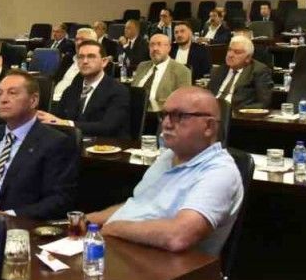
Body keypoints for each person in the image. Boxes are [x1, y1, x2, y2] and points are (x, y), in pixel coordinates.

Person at [86, 88, 243, 254]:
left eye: (179, 116)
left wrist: (114, 228)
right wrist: (91, 219)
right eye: (164, 115)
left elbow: (179, 236)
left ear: (208, 126)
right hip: (128, 249)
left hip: (166, 263)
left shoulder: (220, 172)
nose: (166, 124)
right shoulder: (168, 156)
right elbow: (140, 205)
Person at [0, 71, 78, 218]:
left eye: (12, 93)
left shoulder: (55, 142)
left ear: (33, 100)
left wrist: (7, 216)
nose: (3, 99)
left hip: (9, 222)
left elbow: (59, 200)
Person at [38, 35, 130, 137]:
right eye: (81, 57)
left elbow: (107, 127)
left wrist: (67, 124)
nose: (85, 61)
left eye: (91, 56)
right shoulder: (71, 90)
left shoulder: (118, 90)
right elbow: (58, 119)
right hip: (74, 142)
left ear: (104, 62)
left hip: (107, 144)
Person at [207, 36, 274, 109]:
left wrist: (242, 111)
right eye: (229, 50)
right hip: (212, 110)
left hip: (237, 113)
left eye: (237, 52)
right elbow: (208, 94)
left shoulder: (258, 70)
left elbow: (264, 103)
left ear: (248, 58)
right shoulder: (220, 70)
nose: (230, 55)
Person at [131, 34, 192, 112]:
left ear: (169, 48)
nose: (155, 48)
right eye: (152, 45)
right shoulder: (142, 66)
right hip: (133, 111)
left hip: (160, 115)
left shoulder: (182, 71)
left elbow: (183, 103)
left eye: (159, 44)